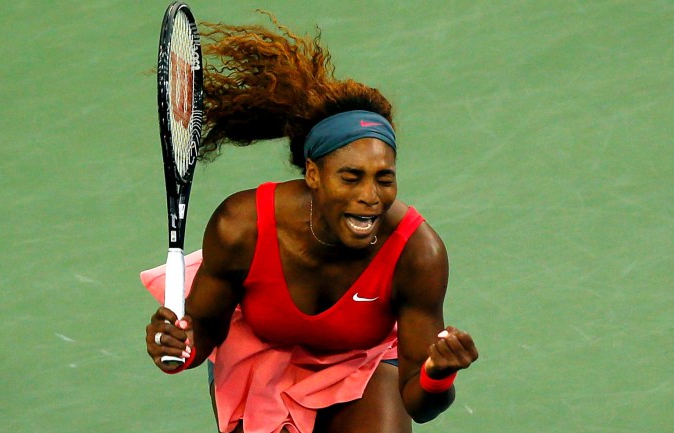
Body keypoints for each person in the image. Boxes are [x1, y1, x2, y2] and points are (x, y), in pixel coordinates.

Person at [144, 14, 479, 433]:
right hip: (259, 357)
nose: (371, 197)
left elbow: (419, 403)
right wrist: (179, 345)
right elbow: (204, 331)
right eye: (351, 177)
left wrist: (438, 372)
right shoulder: (242, 227)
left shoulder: (417, 253)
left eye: (384, 178)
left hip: (363, 364)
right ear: (313, 174)